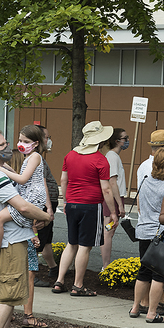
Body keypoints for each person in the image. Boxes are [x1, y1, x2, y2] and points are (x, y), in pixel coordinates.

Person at [0, 130, 51, 328]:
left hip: (14, 239)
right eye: (2, 144)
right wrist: (46, 216)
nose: (8, 147)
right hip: (10, 242)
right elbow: (23, 207)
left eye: (8, 142)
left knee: (13, 291)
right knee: (9, 294)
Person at [52, 121, 120, 296]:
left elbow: (63, 180)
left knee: (71, 243)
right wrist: (113, 212)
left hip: (72, 204)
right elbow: (106, 189)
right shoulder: (100, 159)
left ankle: (59, 281)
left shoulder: (70, 155)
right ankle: (78, 285)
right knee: (85, 246)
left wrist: (66, 201)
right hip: (90, 206)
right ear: (101, 140)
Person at [130, 149, 164, 322]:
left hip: (143, 230)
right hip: (160, 233)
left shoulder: (144, 181)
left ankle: (135, 307)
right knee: (159, 275)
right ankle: (152, 312)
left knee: (143, 271)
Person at [34, 125, 61, 287]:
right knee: (38, 240)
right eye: (46, 137)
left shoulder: (39, 158)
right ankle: (32, 273)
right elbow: (41, 184)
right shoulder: (36, 159)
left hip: (47, 204)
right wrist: (49, 208)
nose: (48, 140)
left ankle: (53, 268)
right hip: (43, 205)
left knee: (46, 239)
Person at [100, 128, 128, 269]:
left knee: (109, 231)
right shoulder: (112, 156)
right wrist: (120, 205)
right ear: (117, 141)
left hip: (114, 199)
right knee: (108, 232)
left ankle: (106, 264)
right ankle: (106, 265)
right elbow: (112, 182)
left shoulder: (113, 156)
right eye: (125, 138)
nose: (127, 141)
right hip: (113, 199)